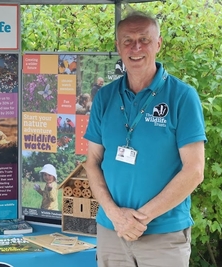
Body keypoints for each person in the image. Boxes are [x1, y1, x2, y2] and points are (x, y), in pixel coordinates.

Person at [84, 11, 206, 267]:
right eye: (127, 40)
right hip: (111, 231)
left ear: (158, 43)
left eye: (144, 39)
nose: (136, 47)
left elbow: (194, 171)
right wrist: (116, 216)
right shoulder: (105, 98)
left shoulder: (182, 97)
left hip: (163, 234)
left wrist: (138, 219)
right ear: (118, 47)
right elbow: (92, 161)